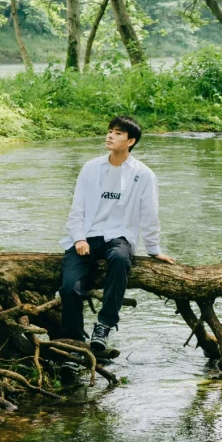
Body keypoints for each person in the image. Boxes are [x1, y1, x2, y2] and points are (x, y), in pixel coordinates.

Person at [58, 115, 174, 357]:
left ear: (130, 141)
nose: (110, 135)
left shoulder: (143, 175)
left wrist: (154, 249)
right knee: (69, 288)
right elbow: (77, 208)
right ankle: (75, 344)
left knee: (120, 259)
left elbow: (149, 214)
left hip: (120, 236)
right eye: (110, 130)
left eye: (118, 133)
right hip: (87, 236)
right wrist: (78, 237)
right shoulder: (91, 168)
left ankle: (104, 325)